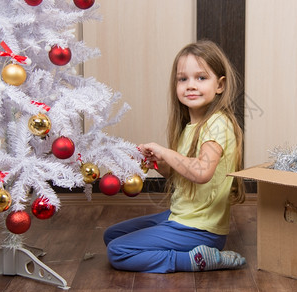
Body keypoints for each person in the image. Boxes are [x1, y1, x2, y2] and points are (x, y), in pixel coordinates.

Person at [103, 40, 246, 273]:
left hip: (200, 230)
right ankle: (185, 251)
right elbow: (180, 174)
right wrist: (157, 162)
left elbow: (201, 172)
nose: (191, 85)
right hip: (180, 217)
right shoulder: (190, 127)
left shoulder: (218, 124)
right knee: (112, 236)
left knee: (118, 251)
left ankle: (194, 260)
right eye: (183, 79)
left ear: (220, 85)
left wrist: (166, 152)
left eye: (201, 78)